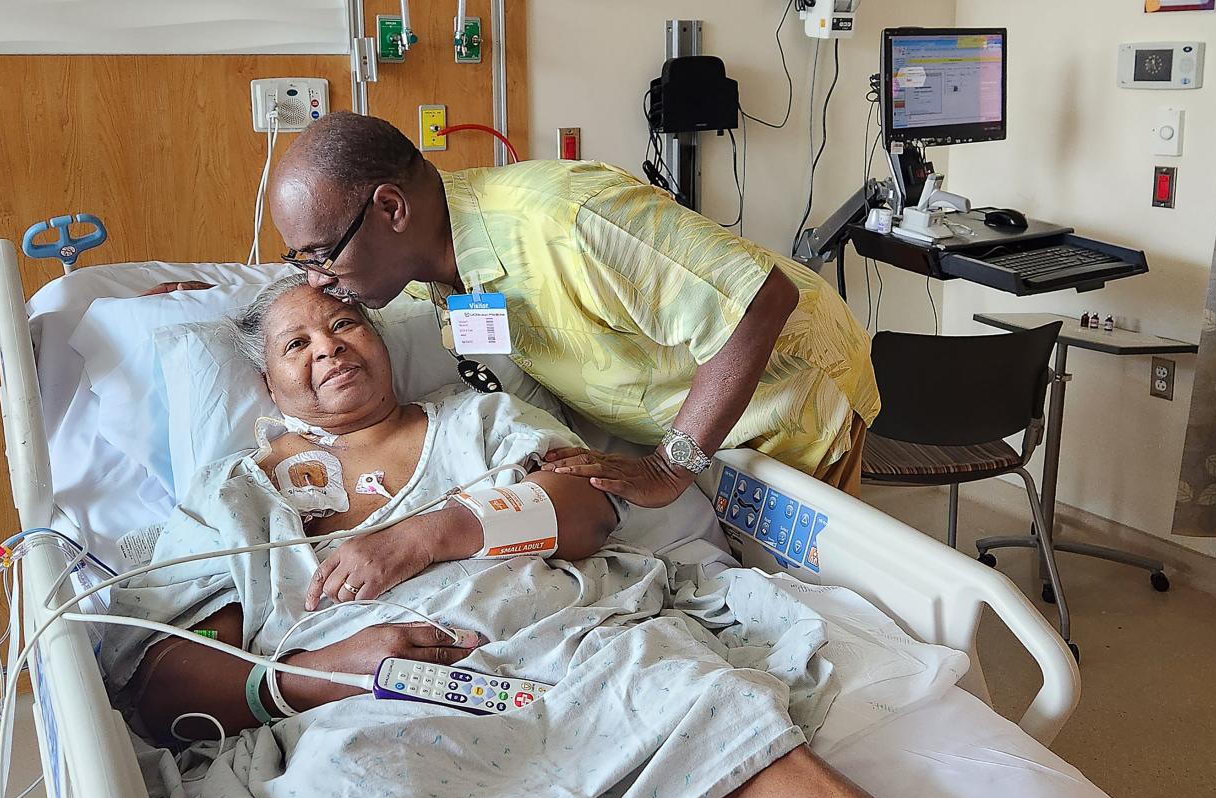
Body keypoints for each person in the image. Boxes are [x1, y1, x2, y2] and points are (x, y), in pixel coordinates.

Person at [105, 276, 895, 798]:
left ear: (380, 344)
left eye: (345, 324)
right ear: (271, 389)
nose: (330, 347)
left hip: (573, 654)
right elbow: (169, 681)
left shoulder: (477, 420)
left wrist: (424, 535)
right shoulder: (233, 494)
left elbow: (584, 512)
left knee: (705, 699)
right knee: (358, 785)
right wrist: (312, 675)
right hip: (375, 709)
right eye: (296, 343)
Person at [147, 112, 879, 507]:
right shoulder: (435, 268)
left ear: (390, 209)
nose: (323, 284)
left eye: (318, 257)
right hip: (702, 427)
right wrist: (231, 293)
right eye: (304, 264)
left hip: (794, 406)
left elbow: (762, 302)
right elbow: (312, 292)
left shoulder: (566, 220)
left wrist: (670, 465)